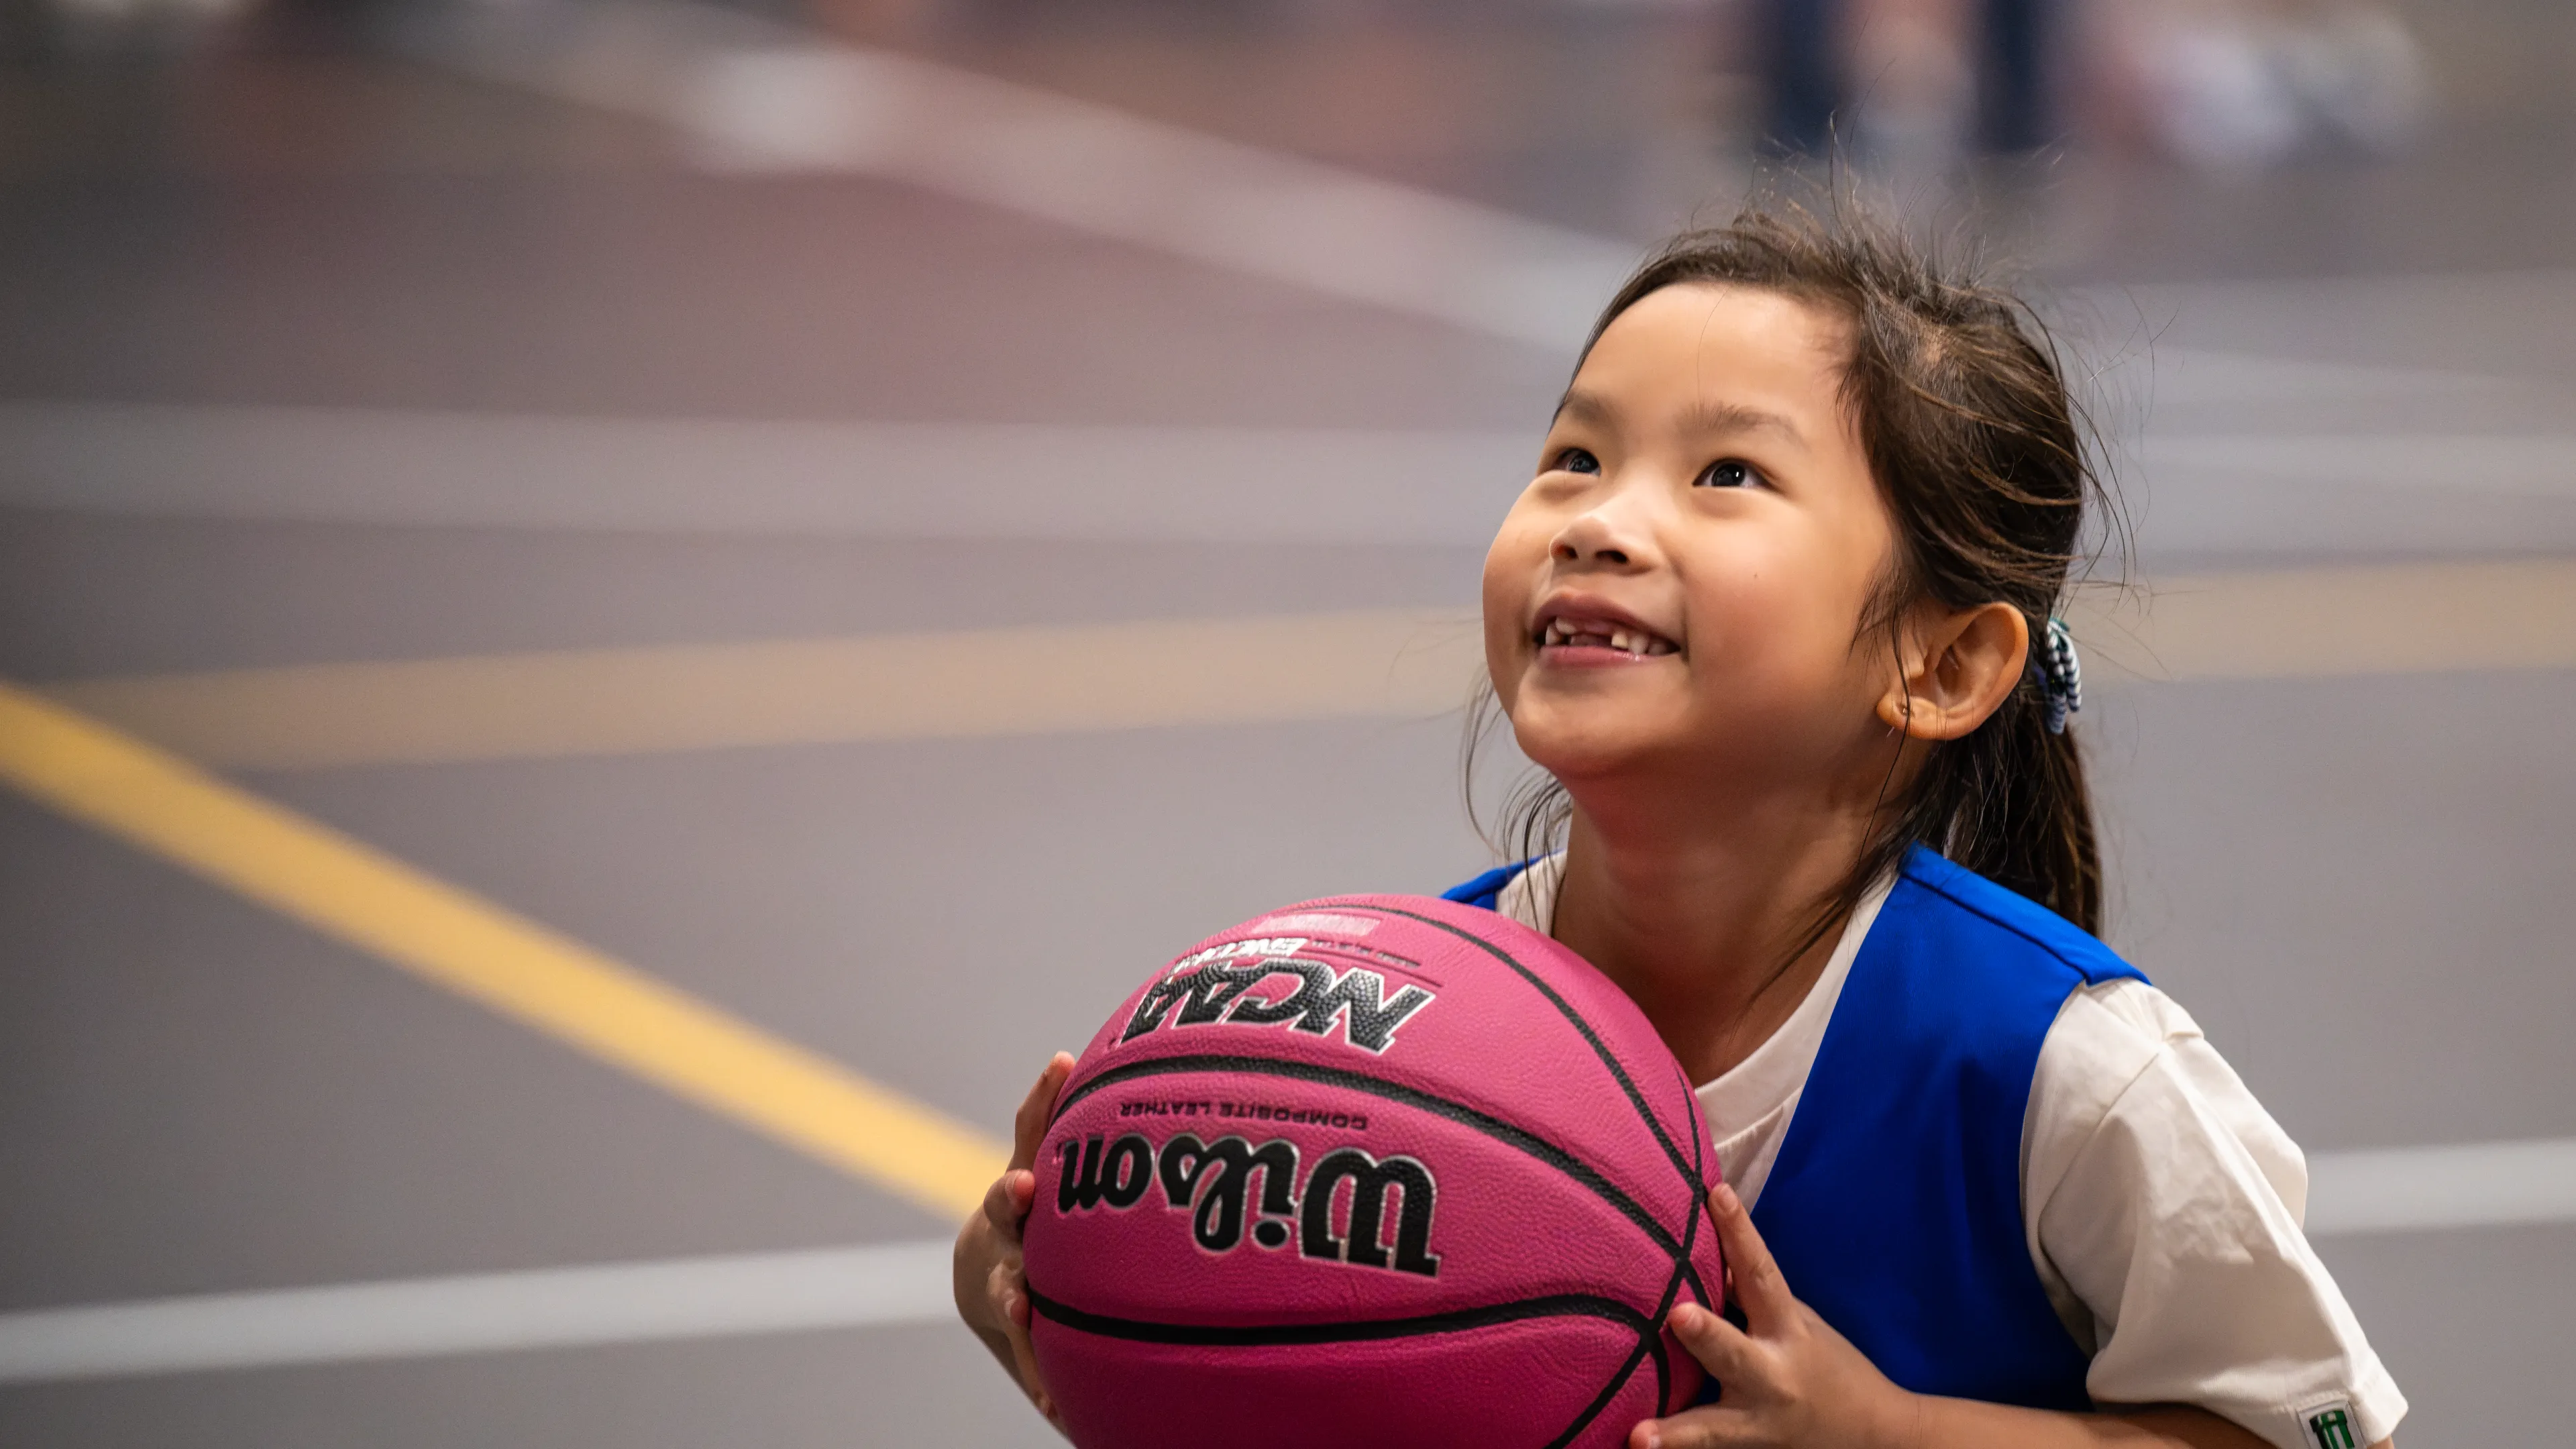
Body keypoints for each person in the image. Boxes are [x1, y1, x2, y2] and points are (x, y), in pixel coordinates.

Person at [953, 208, 2404, 1449]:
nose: (1597, 520)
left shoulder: (2065, 1075)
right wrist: (1104, 1327)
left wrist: (1894, 1435)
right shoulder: (1394, 1026)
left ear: (1944, 664)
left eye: (1726, 477)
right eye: (1575, 457)